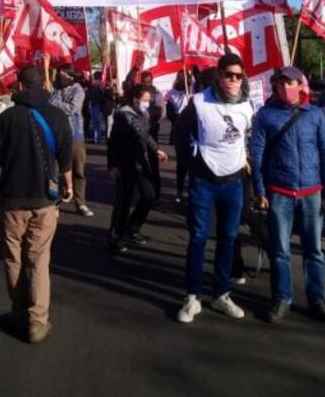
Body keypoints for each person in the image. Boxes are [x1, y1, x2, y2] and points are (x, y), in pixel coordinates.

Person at [0, 65, 74, 344]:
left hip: (12, 199)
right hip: (45, 201)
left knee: (14, 259)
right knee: (38, 261)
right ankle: (37, 322)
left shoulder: (8, 117)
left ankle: (19, 311)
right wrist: (68, 186)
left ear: (19, 87)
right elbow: (66, 156)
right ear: (42, 86)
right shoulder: (59, 116)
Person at [250, 67, 325, 324]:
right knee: (280, 251)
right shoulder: (266, 115)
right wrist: (260, 190)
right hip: (279, 193)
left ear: (301, 85)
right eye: (280, 84)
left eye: (289, 83)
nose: (285, 88)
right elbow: (257, 154)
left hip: (312, 193)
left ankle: (316, 299)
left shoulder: (316, 115)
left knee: (314, 251)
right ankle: (282, 298)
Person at [173, 54, 254, 323]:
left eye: (238, 76)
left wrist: (247, 165)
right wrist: (194, 165)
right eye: (228, 75)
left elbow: (248, 139)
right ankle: (193, 297)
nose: (233, 80)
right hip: (205, 182)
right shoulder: (199, 102)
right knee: (197, 238)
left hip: (233, 183)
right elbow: (180, 136)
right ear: (219, 74)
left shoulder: (247, 105)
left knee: (228, 239)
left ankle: (221, 294)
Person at [107, 84, 168, 253]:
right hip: (125, 165)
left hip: (141, 162)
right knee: (124, 202)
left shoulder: (144, 114)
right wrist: (112, 165)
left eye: (149, 101)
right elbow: (113, 143)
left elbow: (146, 135)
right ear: (135, 99)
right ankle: (116, 236)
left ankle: (132, 228)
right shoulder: (122, 116)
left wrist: (156, 149)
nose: (148, 104)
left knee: (149, 195)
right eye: (145, 100)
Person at [50, 65, 93, 217]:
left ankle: (80, 202)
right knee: (57, 170)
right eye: (59, 74)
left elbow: (73, 108)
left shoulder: (78, 89)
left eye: (63, 75)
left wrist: (53, 104)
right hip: (56, 136)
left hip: (75, 136)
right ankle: (57, 200)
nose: (60, 77)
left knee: (78, 170)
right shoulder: (55, 89)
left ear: (70, 76)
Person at [165, 71, 191, 202]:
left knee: (194, 162)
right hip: (179, 130)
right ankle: (179, 191)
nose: (182, 79)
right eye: (180, 77)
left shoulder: (194, 91)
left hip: (193, 131)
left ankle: (192, 190)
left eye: (185, 77)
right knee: (181, 163)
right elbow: (169, 113)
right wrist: (179, 118)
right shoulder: (171, 93)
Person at [86, 71, 106, 143]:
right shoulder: (93, 86)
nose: (94, 80)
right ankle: (96, 138)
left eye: (95, 78)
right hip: (94, 105)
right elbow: (88, 95)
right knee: (95, 123)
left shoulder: (101, 86)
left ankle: (98, 138)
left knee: (97, 123)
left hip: (98, 105)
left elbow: (101, 96)